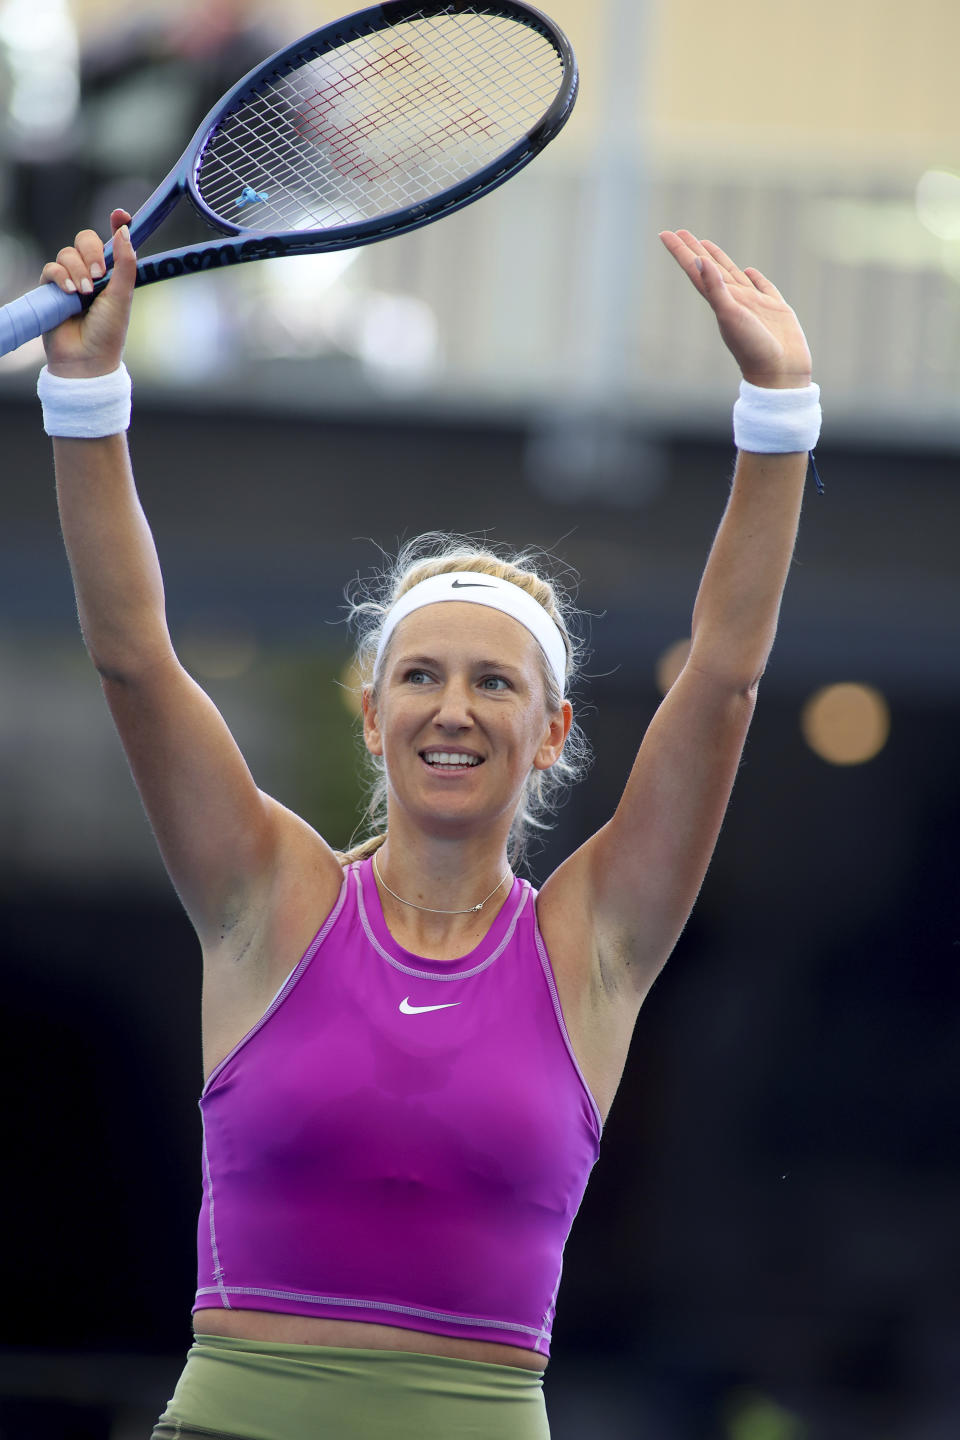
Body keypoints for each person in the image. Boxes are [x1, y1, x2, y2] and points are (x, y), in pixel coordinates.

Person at [37, 209, 821, 1440]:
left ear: (552, 733)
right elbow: (135, 659)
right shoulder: (268, 897)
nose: (453, 710)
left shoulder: (595, 944)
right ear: (372, 715)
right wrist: (88, 396)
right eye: (421, 676)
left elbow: (722, 677)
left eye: (495, 684)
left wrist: (780, 412)